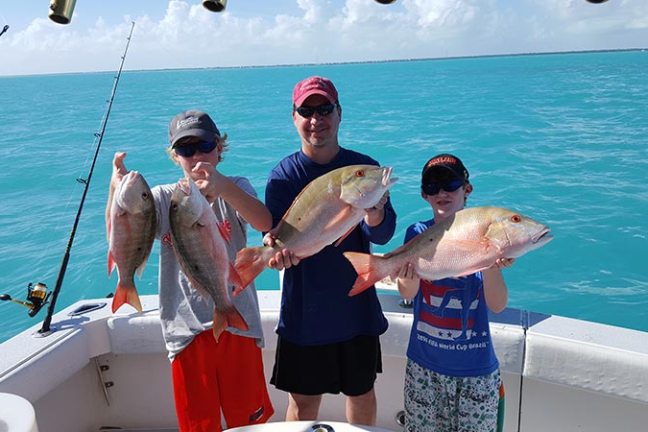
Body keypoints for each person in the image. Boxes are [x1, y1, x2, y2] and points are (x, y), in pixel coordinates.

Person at [106, 109, 274, 432]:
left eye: (204, 145)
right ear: (175, 157)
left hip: (238, 326)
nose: (196, 156)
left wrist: (222, 186)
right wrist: (116, 191)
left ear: (219, 149)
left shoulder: (235, 188)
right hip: (185, 334)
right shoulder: (166, 199)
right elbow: (120, 231)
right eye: (186, 149)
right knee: (199, 425)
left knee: (250, 423)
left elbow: (264, 222)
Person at [263, 76, 397, 425]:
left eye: (324, 109)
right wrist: (276, 254)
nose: (315, 119)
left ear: (339, 114)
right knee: (303, 404)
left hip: (356, 309)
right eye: (306, 111)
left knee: (362, 394)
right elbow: (276, 239)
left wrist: (375, 210)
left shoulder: (363, 168)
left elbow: (382, 235)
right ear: (294, 118)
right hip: (304, 314)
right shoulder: (282, 176)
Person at [396, 153, 511, 432]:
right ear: (424, 195)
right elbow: (408, 292)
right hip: (423, 367)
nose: (442, 192)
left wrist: (492, 266)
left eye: (450, 183)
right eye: (433, 186)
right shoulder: (418, 232)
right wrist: (405, 274)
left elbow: (497, 305)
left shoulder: (485, 236)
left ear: (467, 189)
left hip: (477, 371)